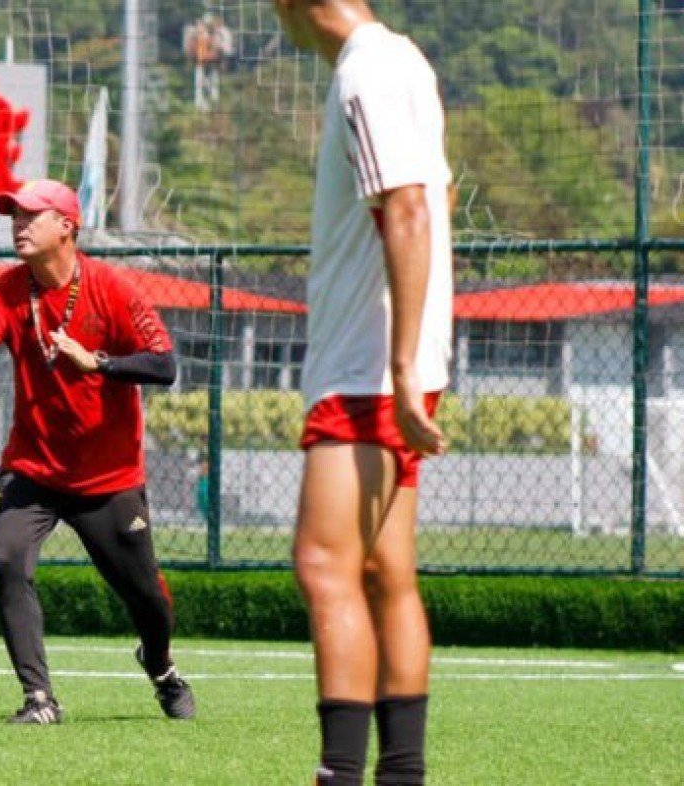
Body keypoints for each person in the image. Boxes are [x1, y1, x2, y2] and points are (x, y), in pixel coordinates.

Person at [0, 179, 195, 725]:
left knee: (147, 599)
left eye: (30, 216)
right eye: (13, 216)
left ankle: (160, 668)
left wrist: (100, 363)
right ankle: (40, 700)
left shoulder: (113, 289)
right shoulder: (8, 290)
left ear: (66, 226)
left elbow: (165, 365)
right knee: (8, 559)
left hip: (107, 478)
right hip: (31, 470)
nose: (18, 225)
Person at [271, 2, 453, 784]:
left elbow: (410, 209)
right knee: (384, 573)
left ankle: (340, 775)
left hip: (369, 367)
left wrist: (404, 364)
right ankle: (400, 775)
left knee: (323, 563)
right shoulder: (401, 59)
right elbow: (432, 199)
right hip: (391, 362)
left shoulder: (367, 72)